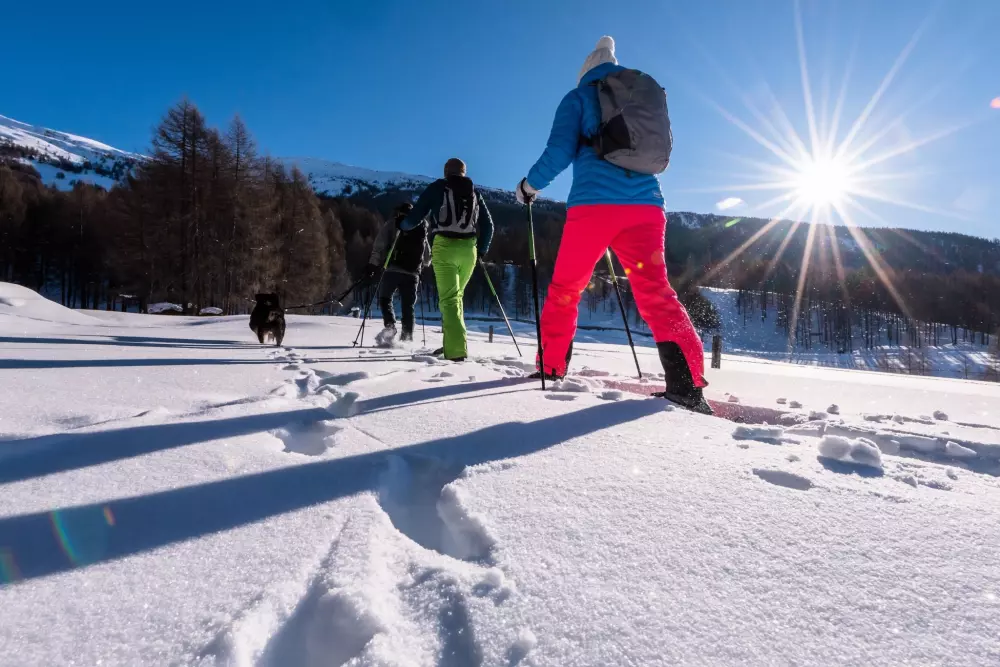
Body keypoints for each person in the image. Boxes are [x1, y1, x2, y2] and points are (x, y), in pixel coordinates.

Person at [515, 36, 711, 414]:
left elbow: (558, 152)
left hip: (594, 208)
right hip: (648, 208)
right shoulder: (639, 95)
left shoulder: (579, 97)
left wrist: (528, 186)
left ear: (585, 71)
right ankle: (687, 387)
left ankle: (552, 368)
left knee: (566, 289)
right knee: (656, 292)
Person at [398, 158, 493, 361]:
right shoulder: (475, 193)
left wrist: (401, 225)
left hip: (445, 247)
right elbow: (488, 226)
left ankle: (456, 352)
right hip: (469, 250)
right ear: (464, 172)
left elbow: (414, 218)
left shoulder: (437, 188)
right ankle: (451, 343)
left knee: (449, 300)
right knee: (456, 298)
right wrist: (481, 250)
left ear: (446, 171)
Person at [366, 202, 429, 345]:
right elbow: (427, 259)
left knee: (385, 298)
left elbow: (379, 245)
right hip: (413, 274)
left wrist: (372, 264)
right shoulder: (420, 227)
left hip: (392, 270)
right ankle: (407, 339)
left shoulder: (393, 223)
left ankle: (390, 327)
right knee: (408, 306)